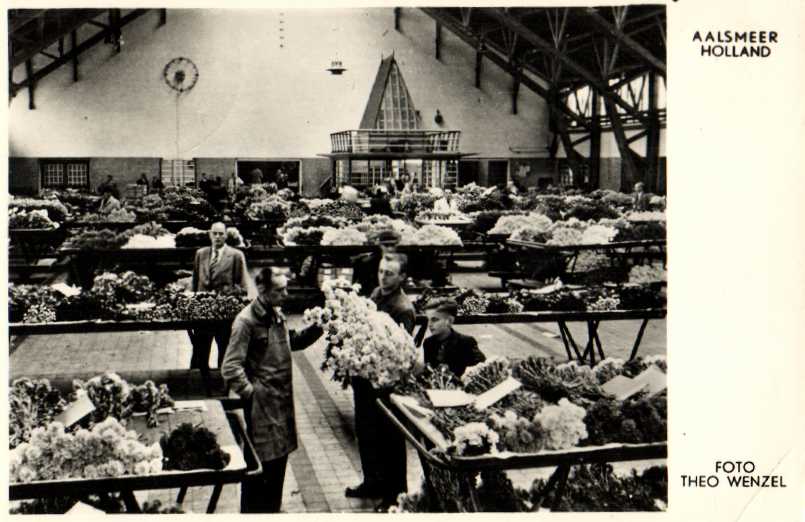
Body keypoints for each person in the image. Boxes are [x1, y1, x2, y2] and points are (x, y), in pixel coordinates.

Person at [222, 267, 324, 513]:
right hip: (262, 408)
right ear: (262, 290)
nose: (286, 294)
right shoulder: (246, 321)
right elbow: (230, 367)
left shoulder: (275, 313)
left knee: (278, 463)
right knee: (260, 467)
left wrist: (319, 327)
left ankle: (272, 511)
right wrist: (252, 394)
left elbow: (292, 342)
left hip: (281, 404)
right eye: (279, 290)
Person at [347, 253, 415, 512]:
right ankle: (371, 482)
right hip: (365, 379)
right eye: (381, 271)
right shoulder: (376, 294)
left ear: (402, 277)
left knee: (389, 439)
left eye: (389, 273)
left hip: (385, 385)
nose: (383, 276)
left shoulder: (403, 308)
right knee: (365, 432)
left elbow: (400, 353)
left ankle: (395, 495)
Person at [190, 222, 251, 373]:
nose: (217, 237)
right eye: (214, 233)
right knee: (200, 350)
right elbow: (195, 282)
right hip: (202, 312)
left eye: (221, 234)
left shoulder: (236, 256)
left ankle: (223, 380)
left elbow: (243, 287)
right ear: (210, 235)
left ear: (226, 236)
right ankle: (199, 379)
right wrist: (192, 306)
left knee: (224, 349)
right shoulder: (201, 254)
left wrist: (229, 298)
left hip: (224, 313)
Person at [422, 298, 486, 378]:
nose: (429, 324)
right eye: (428, 320)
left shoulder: (466, 343)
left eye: (434, 320)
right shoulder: (428, 343)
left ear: (449, 321)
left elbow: (482, 370)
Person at [351, 229, 400, 297]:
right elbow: (361, 289)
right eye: (386, 245)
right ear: (380, 245)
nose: (390, 248)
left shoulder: (401, 262)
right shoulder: (366, 264)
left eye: (392, 245)